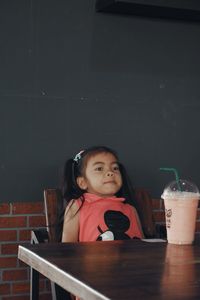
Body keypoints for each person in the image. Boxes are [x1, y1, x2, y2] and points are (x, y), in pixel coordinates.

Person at [58, 146, 144, 243]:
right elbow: (67, 248)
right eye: (99, 168)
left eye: (115, 168)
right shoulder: (77, 206)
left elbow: (143, 245)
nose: (110, 172)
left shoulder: (131, 209)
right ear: (82, 182)